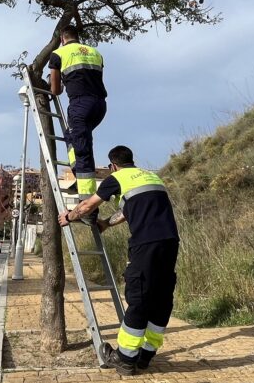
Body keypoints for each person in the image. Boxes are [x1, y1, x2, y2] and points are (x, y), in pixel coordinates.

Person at [58, 145, 180, 376]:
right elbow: (126, 210)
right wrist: (106, 223)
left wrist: (69, 216)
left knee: (139, 298)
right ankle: (145, 355)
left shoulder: (117, 178)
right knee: (161, 298)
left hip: (146, 244)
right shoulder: (151, 176)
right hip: (170, 242)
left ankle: (124, 358)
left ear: (113, 165)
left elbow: (87, 205)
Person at [49, 25, 107, 217]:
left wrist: (54, 79)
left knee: (82, 153)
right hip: (99, 105)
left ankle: (87, 208)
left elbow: (56, 91)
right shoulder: (95, 52)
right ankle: (77, 171)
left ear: (61, 39)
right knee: (71, 136)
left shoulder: (58, 54)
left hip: (80, 105)